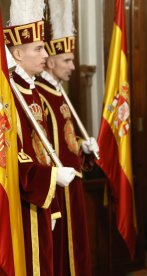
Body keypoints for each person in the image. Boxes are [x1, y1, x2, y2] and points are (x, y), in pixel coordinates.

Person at [3, 1, 76, 274]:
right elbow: (12, 153)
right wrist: (49, 177)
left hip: (41, 199)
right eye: (38, 48)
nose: (45, 54)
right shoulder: (9, 94)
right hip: (23, 203)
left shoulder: (31, 90)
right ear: (18, 54)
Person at [34, 0, 99, 274]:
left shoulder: (58, 91)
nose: (73, 65)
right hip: (57, 190)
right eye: (67, 60)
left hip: (71, 184)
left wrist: (82, 148)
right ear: (50, 61)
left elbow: (65, 139)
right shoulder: (40, 93)